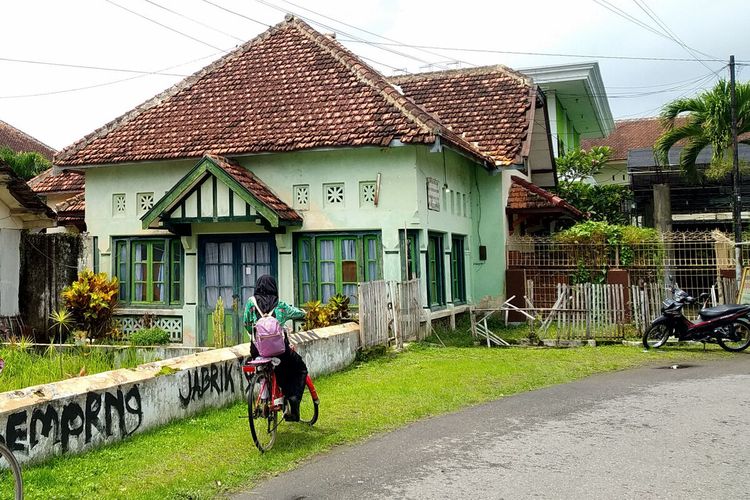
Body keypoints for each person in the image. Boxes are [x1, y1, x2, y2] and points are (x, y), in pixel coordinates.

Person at [243, 274, 307, 421]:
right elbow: (296, 313)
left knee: (257, 365)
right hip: (280, 352)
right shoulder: (280, 305)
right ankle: (293, 400)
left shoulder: (250, 303)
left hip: (258, 350)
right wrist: (306, 313)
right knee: (299, 368)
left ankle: (263, 392)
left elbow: (246, 323)